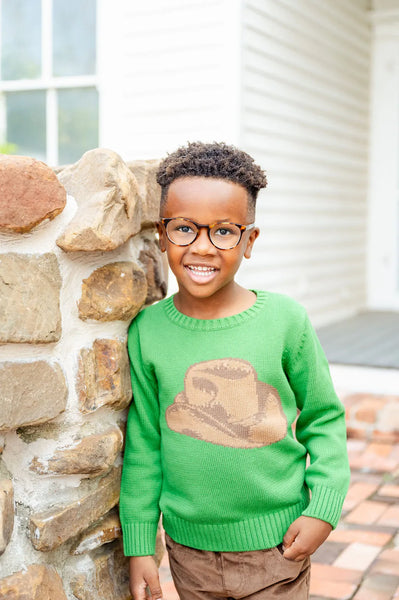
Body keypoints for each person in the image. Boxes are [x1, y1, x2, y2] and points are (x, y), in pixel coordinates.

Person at [120, 141, 350, 600]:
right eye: (184, 228)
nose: (202, 247)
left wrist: (323, 508)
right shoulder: (148, 330)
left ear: (249, 241)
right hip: (189, 553)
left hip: (277, 547)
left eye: (224, 232)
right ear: (161, 234)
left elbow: (323, 418)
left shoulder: (285, 321)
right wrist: (140, 543)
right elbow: (144, 442)